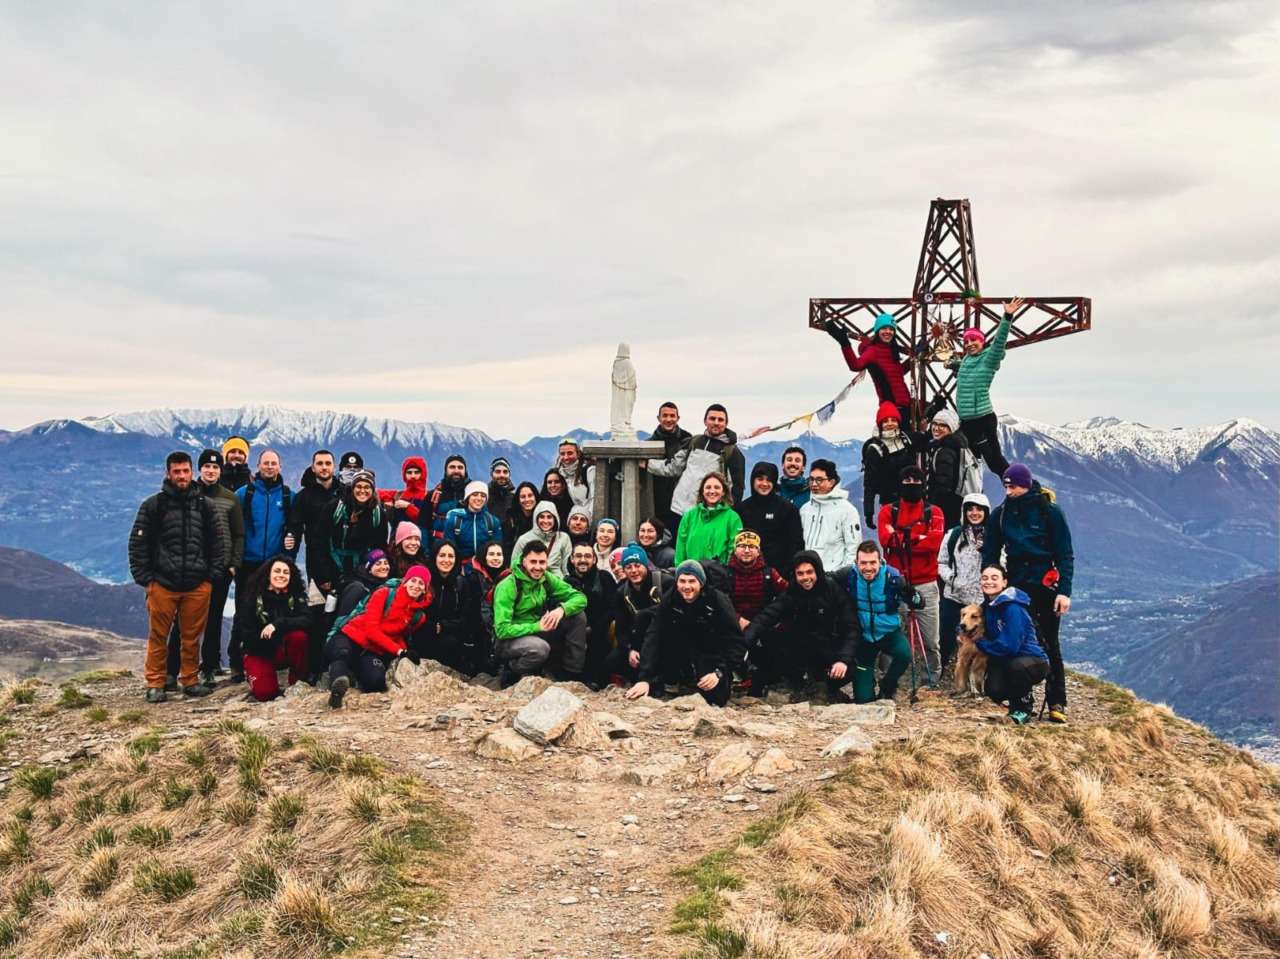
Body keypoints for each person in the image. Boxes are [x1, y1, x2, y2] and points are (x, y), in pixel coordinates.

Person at [128, 451, 227, 702]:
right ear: (168, 474)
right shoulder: (154, 505)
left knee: (191, 637)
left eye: (185, 471)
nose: (182, 476)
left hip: (197, 584)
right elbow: (138, 544)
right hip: (162, 584)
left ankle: (190, 680)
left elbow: (217, 543)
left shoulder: (205, 505)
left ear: (191, 472)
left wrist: (211, 578)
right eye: (177, 472)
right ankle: (155, 683)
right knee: (158, 636)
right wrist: (146, 579)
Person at [983, 463, 1074, 724]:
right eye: (1006, 486)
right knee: (1015, 639)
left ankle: (1057, 701)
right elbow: (990, 551)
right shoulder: (1001, 514)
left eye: (1013, 486)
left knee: (1050, 642)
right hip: (1016, 584)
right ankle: (1021, 699)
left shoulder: (1049, 511)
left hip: (1045, 583)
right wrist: (991, 583)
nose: (1008, 491)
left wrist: (1064, 591)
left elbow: (1065, 554)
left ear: (1026, 484)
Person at [165, 449, 244, 687]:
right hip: (193, 567)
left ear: (221, 470)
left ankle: (209, 667)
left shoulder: (230, 498)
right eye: (207, 467)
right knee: (183, 620)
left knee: (214, 619)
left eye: (216, 467)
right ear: (200, 470)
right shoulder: (188, 494)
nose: (211, 471)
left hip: (220, 569)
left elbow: (238, 533)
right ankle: (171, 670)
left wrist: (233, 564)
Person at [625, 560, 746, 708]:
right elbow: (654, 633)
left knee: (716, 698)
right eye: (682, 581)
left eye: (692, 581)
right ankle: (669, 678)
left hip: (712, 647)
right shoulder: (672, 597)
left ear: (701, 583)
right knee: (646, 620)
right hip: (683, 643)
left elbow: (736, 643)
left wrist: (719, 672)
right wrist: (645, 677)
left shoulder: (719, 601)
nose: (686, 587)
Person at [745, 550, 860, 702]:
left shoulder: (833, 590)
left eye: (809, 572)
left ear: (818, 571)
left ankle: (828, 688)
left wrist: (843, 660)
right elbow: (765, 617)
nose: (805, 578)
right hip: (800, 647)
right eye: (800, 573)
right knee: (768, 635)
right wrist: (744, 644)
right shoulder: (792, 592)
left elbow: (852, 627)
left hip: (827, 647)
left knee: (850, 667)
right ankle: (799, 682)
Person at [326, 565, 431, 708]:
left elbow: (397, 636)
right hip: (349, 635)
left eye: (421, 583)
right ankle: (336, 690)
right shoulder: (384, 594)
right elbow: (371, 630)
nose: (416, 586)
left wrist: (405, 651)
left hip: (372, 649)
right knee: (343, 653)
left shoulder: (418, 617)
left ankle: (352, 672)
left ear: (425, 589)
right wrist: (400, 651)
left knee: (375, 682)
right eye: (413, 580)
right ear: (405, 581)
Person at [878, 466, 945, 682]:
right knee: (890, 633)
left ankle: (929, 683)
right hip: (896, 581)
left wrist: (902, 538)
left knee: (931, 640)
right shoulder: (888, 510)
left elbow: (934, 544)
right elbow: (885, 540)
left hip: (926, 582)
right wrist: (919, 538)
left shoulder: (934, 512)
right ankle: (887, 680)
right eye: (906, 479)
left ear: (923, 483)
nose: (911, 483)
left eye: (916, 479)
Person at [492, 540, 589, 683]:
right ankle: (511, 670)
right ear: (524, 562)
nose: (538, 567)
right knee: (540, 649)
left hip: (538, 629)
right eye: (533, 562)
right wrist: (537, 626)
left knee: (578, 616)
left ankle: (571, 674)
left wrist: (561, 609)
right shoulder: (507, 586)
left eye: (542, 562)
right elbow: (501, 629)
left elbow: (580, 598)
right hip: (509, 640)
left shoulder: (546, 579)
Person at [947, 298, 1020, 476]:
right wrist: (954, 364)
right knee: (966, 463)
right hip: (966, 422)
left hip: (982, 420)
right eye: (967, 341)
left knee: (995, 462)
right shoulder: (967, 360)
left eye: (974, 340)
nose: (970, 344)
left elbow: (999, 342)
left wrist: (1007, 316)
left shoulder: (989, 358)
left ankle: (1028, 488)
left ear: (982, 341)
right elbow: (969, 370)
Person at [835, 542, 913, 703]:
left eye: (872, 562)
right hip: (864, 637)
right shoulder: (849, 575)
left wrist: (913, 596)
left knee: (904, 654)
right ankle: (868, 684)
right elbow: (825, 579)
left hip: (888, 633)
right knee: (863, 700)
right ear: (856, 563)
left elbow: (919, 603)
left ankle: (887, 686)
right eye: (863, 563)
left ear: (880, 561)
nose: (868, 568)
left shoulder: (893, 579)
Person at [288, 449, 344, 675]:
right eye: (319, 463)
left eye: (328, 463)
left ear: (334, 467)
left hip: (342, 563)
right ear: (313, 467)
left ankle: (339, 663)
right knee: (317, 615)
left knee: (342, 613)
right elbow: (295, 527)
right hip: (316, 566)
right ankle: (315, 667)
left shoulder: (344, 493)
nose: (324, 467)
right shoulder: (304, 497)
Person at [978, 564, 1050, 725]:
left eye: (994, 578)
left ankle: (1024, 707)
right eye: (985, 578)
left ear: (1004, 583)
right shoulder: (989, 606)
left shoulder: (1013, 608)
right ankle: (1013, 700)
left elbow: (1009, 646)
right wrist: (960, 634)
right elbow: (968, 622)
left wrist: (980, 644)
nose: (988, 582)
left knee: (1017, 667)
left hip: (1033, 661)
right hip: (1006, 661)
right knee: (994, 691)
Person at [645, 404, 746, 518]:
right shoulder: (694, 442)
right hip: (677, 509)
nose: (716, 422)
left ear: (726, 424)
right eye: (712, 419)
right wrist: (646, 464)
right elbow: (673, 467)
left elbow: (737, 489)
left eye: (720, 420)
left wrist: (723, 512)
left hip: (704, 513)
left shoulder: (732, 452)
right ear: (705, 421)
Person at [234, 556, 312, 702]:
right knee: (266, 694)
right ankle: (260, 675)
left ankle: (298, 681)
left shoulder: (295, 595)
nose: (281, 575)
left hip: (281, 649)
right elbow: (246, 634)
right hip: (258, 651)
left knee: (298, 637)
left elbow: (307, 620)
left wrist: (278, 624)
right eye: (277, 571)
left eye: (286, 572)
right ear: (268, 574)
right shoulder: (252, 598)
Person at [825, 312, 913, 424]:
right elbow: (855, 365)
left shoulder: (892, 350)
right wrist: (845, 343)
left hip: (906, 406)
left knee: (933, 411)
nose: (888, 332)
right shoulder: (873, 350)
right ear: (877, 331)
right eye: (884, 328)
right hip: (892, 409)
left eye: (891, 329)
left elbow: (898, 373)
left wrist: (915, 357)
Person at [937, 493, 990, 672]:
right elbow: (942, 562)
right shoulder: (954, 534)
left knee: (983, 640)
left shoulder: (994, 536)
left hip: (981, 600)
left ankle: (980, 678)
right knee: (945, 639)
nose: (974, 513)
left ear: (986, 512)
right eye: (970, 509)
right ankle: (938, 674)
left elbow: (1002, 563)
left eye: (979, 509)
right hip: (954, 597)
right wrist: (952, 579)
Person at [606, 544, 669, 686]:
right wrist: (629, 651)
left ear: (646, 565)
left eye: (637, 565)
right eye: (628, 567)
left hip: (666, 637)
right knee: (612, 660)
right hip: (638, 640)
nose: (633, 571)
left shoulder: (665, 582)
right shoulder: (622, 592)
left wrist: (645, 614)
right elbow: (621, 629)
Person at [323, 470, 390, 588]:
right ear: (352, 488)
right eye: (358, 486)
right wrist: (323, 574)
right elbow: (319, 539)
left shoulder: (378, 514)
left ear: (372, 489)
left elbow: (379, 546)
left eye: (367, 487)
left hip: (361, 569)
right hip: (332, 565)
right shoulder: (335, 508)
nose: (362, 491)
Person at [735, 462, 805, 577]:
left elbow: (795, 543)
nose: (764, 484)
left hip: (779, 575)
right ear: (753, 480)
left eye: (769, 480)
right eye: (760, 479)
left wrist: (786, 572)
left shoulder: (787, 509)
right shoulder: (741, 510)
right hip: (746, 575)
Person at [414, 541, 474, 674]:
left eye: (450, 556)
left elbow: (466, 618)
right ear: (434, 557)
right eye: (442, 555)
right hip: (424, 638)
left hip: (452, 638)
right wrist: (432, 626)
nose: (446, 560)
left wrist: (443, 625)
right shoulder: (424, 582)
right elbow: (413, 613)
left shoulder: (461, 584)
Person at [565, 542, 619, 688]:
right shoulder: (566, 582)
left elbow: (613, 607)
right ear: (572, 559)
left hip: (600, 632)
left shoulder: (603, 577)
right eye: (579, 556)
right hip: (573, 634)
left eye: (587, 556)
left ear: (594, 560)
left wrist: (593, 627)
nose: (583, 560)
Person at [861, 402, 921, 530]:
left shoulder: (906, 439)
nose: (890, 424)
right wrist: (868, 512)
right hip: (890, 503)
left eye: (894, 420)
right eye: (885, 421)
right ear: (880, 424)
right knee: (893, 542)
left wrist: (935, 410)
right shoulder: (875, 449)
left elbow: (929, 440)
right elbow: (869, 482)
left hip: (914, 501)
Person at [799, 459, 863, 570]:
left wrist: (843, 575)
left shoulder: (847, 510)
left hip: (834, 577)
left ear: (831, 482)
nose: (814, 484)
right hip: (808, 576)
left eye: (819, 480)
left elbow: (853, 548)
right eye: (811, 479)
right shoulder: (805, 509)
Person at [674, 472, 743, 565]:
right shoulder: (689, 516)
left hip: (719, 575)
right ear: (702, 491)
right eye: (708, 487)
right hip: (692, 575)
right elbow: (680, 548)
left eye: (717, 487)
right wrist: (680, 570)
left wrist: (727, 574)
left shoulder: (733, 518)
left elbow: (734, 550)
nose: (712, 491)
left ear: (723, 492)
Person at [725, 530, 788, 629]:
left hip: (763, 627)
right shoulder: (725, 574)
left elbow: (789, 596)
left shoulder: (770, 574)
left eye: (751, 547)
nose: (746, 550)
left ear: (758, 552)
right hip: (733, 627)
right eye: (742, 546)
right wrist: (737, 619)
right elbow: (718, 603)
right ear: (735, 550)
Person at [925, 408, 973, 529]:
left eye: (942, 425)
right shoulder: (953, 445)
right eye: (934, 423)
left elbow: (943, 486)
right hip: (956, 505)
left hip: (946, 510)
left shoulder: (945, 452)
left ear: (951, 429)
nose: (936, 428)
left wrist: (932, 510)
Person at [647, 402, 692, 527]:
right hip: (656, 500)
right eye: (665, 415)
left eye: (672, 416)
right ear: (658, 418)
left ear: (678, 418)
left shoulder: (687, 441)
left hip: (681, 500)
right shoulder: (648, 444)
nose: (668, 419)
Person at [510, 501, 573, 578]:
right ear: (536, 518)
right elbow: (514, 568)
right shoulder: (524, 539)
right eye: (542, 517)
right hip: (531, 584)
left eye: (549, 517)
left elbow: (567, 568)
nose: (545, 521)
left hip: (556, 584)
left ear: (555, 518)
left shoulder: (563, 538)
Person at [444, 481, 504, 561]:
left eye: (483, 496)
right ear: (468, 497)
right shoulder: (454, 521)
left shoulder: (493, 522)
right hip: (460, 568)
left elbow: (497, 549)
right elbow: (448, 550)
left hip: (485, 567)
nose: (479, 498)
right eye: (474, 495)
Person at [334, 549, 392, 619]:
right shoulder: (356, 587)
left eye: (386, 563)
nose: (384, 567)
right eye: (378, 564)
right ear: (368, 567)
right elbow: (343, 618)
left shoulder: (386, 583)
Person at [378, 456, 430, 532]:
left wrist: (408, 507)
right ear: (404, 474)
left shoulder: (430, 496)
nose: (413, 476)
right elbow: (374, 491)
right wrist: (387, 499)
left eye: (416, 472)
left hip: (419, 541)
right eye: (409, 472)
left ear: (423, 474)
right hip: (396, 540)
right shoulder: (398, 495)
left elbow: (426, 521)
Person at [428, 455, 471, 541]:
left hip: (467, 548)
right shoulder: (434, 495)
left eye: (460, 467)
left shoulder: (474, 494)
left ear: (465, 470)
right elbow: (423, 526)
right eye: (452, 467)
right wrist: (426, 552)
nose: (456, 471)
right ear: (445, 470)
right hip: (439, 548)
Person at [555, 438, 595, 512]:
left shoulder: (589, 471)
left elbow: (594, 499)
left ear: (578, 454)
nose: (566, 457)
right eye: (562, 454)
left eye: (570, 453)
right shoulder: (560, 474)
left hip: (587, 519)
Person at [504, 481, 540, 555]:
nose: (527, 500)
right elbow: (507, 546)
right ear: (518, 500)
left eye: (530, 495)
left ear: (536, 497)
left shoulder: (543, 518)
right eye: (523, 497)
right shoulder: (511, 519)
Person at [487, 457, 517, 524]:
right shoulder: (484, 496)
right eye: (498, 472)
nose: (502, 475)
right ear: (491, 474)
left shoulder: (514, 498)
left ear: (509, 475)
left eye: (505, 472)